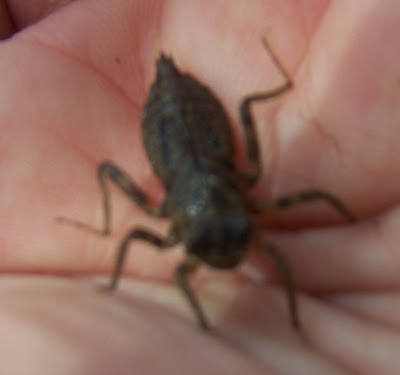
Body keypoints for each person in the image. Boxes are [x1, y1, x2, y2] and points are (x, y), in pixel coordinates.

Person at [1, 1, 399, 373]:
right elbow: (315, 196)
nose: (227, 254)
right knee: (242, 116)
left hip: (175, 133)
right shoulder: (247, 199)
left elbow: (316, 197)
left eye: (236, 235)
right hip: (178, 128)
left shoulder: (172, 226)